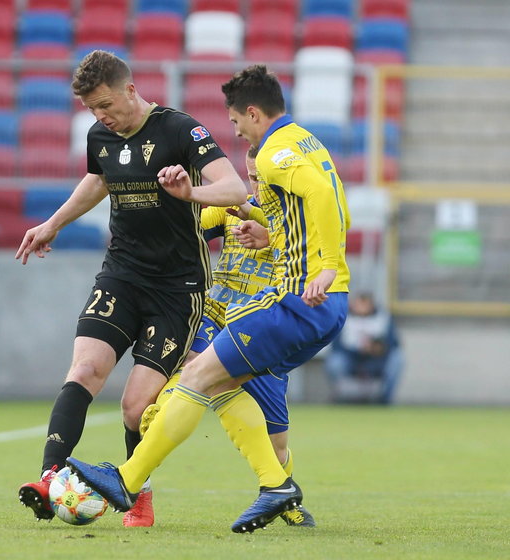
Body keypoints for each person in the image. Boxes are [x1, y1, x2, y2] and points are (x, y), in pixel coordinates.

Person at [67, 64, 351, 534]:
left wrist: (324, 264)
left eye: (237, 123)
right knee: (212, 383)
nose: (236, 134)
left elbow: (321, 194)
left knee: (206, 385)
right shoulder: (302, 146)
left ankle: (132, 478)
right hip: (294, 309)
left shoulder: (277, 153)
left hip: (291, 305)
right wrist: (269, 232)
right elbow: (317, 202)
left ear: (254, 114)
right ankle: (272, 486)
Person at [15, 50, 249, 527]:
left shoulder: (180, 130)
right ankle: (49, 477)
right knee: (84, 369)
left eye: (106, 104)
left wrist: (190, 193)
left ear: (130, 89)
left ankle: (137, 492)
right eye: (91, 109)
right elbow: (100, 178)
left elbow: (235, 191)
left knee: (135, 406)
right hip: (122, 273)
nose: (101, 116)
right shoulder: (100, 135)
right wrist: (54, 223)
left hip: (177, 287)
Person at [140, 145, 315, 527]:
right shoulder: (233, 206)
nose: (255, 184)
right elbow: (188, 225)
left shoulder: (299, 218)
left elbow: (319, 257)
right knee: (194, 371)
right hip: (217, 316)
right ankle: (161, 412)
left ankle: (283, 492)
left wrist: (270, 238)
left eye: (261, 178)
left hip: (266, 329)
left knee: (277, 443)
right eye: (250, 177)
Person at [325, 292, 403, 404]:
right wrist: (357, 349)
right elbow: (336, 345)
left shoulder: (383, 318)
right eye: (358, 305)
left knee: (397, 359)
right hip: (351, 358)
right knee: (335, 362)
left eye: (364, 304)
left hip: (377, 359)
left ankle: (384, 399)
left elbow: (393, 343)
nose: (361, 308)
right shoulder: (344, 318)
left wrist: (376, 348)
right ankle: (341, 397)